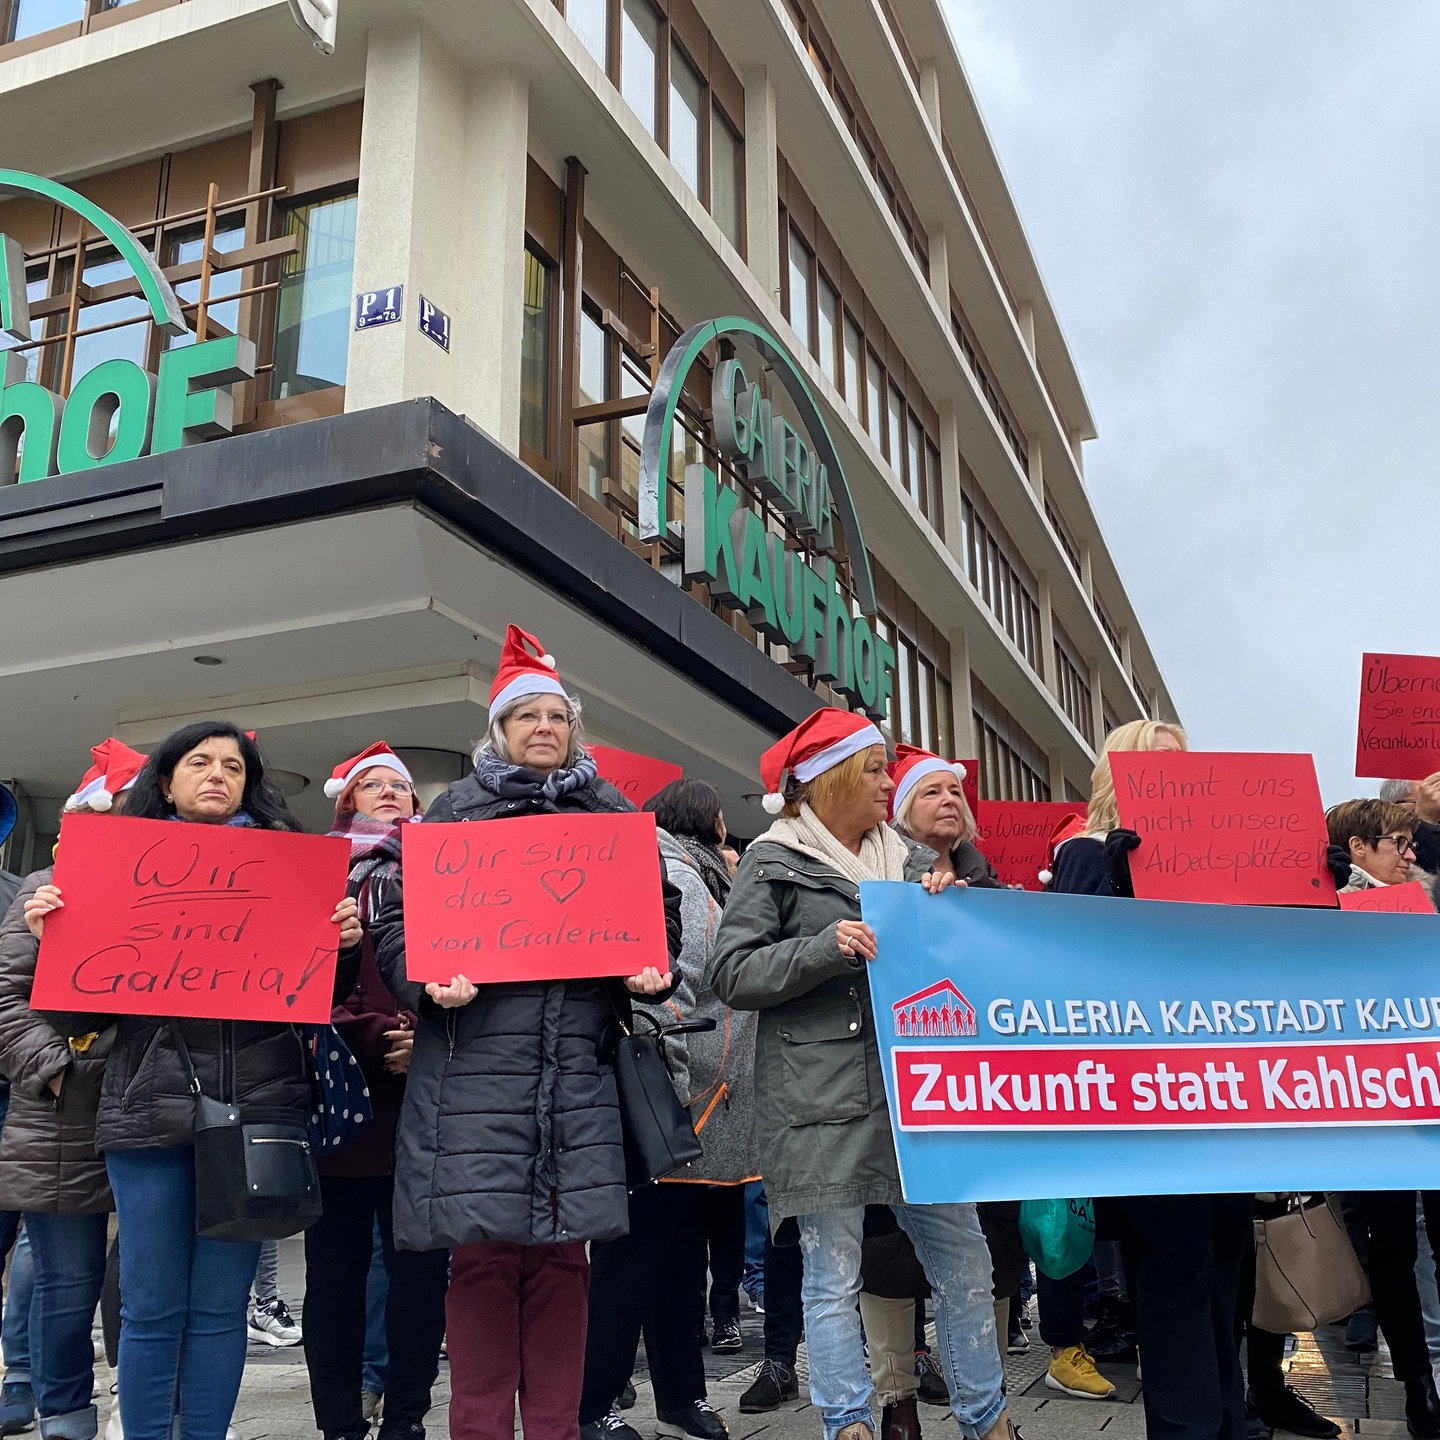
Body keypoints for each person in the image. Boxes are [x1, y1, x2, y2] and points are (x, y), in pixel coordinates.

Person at [370, 625, 683, 1440]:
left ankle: (555, 1429)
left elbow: (659, 913)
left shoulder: (610, 811)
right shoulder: (454, 813)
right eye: (527, 716)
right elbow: (399, 923)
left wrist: (654, 965)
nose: (545, 727)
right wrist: (427, 981)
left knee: (561, 1265)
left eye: (557, 716)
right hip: (474, 1077)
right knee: (477, 1263)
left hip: (577, 1075)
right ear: (499, 731)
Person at [22, 722, 363, 1440]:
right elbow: (69, 1014)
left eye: (232, 766)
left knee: (218, 1308)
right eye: (199, 762)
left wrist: (345, 945)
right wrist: (58, 937)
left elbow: (318, 998)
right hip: (146, 1116)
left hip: (260, 1114)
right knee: (150, 1306)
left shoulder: (292, 870)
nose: (217, 775)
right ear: (167, 781)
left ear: (250, 782)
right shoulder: (111, 867)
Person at [708, 708, 1011, 1440]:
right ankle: (847, 1425)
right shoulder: (772, 860)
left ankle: (990, 1420)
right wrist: (821, 948)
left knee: (966, 1261)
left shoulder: (909, 863)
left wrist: (954, 919)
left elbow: (951, 971)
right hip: (820, 1099)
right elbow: (729, 971)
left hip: (917, 1097)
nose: (887, 783)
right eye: (873, 769)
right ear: (832, 779)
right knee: (832, 1276)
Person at [1047, 720, 1254, 1440]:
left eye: (1186, 762)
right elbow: (1073, 961)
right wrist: (1117, 877)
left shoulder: (1228, 860)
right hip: (1147, 1100)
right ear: (1123, 772)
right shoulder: (1084, 851)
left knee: (1227, 1259)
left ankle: (1231, 1416)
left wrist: (1306, 888)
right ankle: (1185, 1426)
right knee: (1173, 1267)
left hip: (1223, 1091)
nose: (1180, 774)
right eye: (1162, 764)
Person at [578, 776, 755, 1440]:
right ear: (710, 821)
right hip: (671, 1094)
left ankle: (682, 1396)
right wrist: (676, 1087)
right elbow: (664, 990)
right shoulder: (668, 865)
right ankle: (592, 1402)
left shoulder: (704, 873)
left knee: (680, 1257)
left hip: (703, 1101)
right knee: (631, 1257)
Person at [301, 744, 451, 1440]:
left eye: (401, 786)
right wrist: (372, 1036)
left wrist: (426, 1037)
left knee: (418, 1275)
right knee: (334, 1276)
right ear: (347, 800)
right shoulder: (314, 875)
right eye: (372, 785)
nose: (390, 793)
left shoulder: (450, 873)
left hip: (423, 1105)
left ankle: (407, 1417)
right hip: (340, 1108)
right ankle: (337, 1422)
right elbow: (296, 978)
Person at [0, 744, 144, 1440]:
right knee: (67, 1281)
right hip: (62, 1116)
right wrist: (57, 1069)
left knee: (146, 1280)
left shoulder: (167, 893)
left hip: (154, 1106)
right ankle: (64, 1411)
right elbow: (6, 999)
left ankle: (136, 1410)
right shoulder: (42, 888)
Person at [1322, 800, 1440, 1437]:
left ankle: (1424, 1381)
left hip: (1427, 1097)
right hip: (1377, 1109)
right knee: (1392, 1248)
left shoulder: (1424, 902)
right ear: (1358, 850)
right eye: (1397, 842)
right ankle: (1417, 1385)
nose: (1409, 854)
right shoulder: (1327, 909)